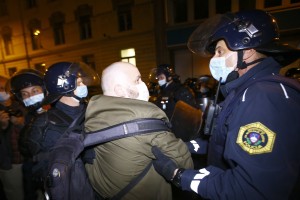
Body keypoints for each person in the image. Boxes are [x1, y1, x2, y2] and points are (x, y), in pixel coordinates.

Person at [151, 9, 300, 200]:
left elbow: (252, 188)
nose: (214, 59)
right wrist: (182, 146)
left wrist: (179, 176)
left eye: (219, 51)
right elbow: (222, 142)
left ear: (246, 51)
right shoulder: (244, 91)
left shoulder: (262, 98)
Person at [84, 61, 194, 200]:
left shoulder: (93, 116)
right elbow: (185, 164)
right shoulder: (147, 118)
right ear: (119, 90)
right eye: (137, 80)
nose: (143, 84)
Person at [19, 62, 100, 197]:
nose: (84, 86)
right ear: (64, 86)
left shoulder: (89, 111)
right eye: (79, 83)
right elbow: (50, 172)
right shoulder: (46, 124)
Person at [9, 69, 48, 200]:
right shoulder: (28, 116)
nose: (30, 96)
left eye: (35, 91)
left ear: (44, 89)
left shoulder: (59, 111)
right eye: (25, 94)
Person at [0, 75, 25, 200]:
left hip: (28, 160)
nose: (3, 91)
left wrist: (21, 123)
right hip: (10, 163)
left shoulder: (21, 105)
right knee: (15, 195)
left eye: (5, 88)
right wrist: (2, 127)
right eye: (0, 88)